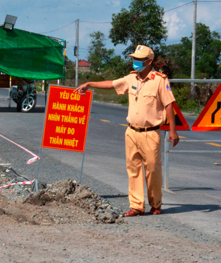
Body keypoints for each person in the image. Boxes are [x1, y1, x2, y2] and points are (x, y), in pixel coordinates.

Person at [74, 45, 179, 217]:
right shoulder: (131, 78)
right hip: (131, 132)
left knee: (153, 169)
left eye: (139, 59)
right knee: (133, 169)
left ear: (149, 61)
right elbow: (111, 84)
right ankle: (137, 206)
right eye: (134, 59)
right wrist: (89, 84)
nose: (135, 62)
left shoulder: (159, 80)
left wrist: (173, 131)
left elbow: (169, 105)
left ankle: (155, 203)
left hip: (150, 133)